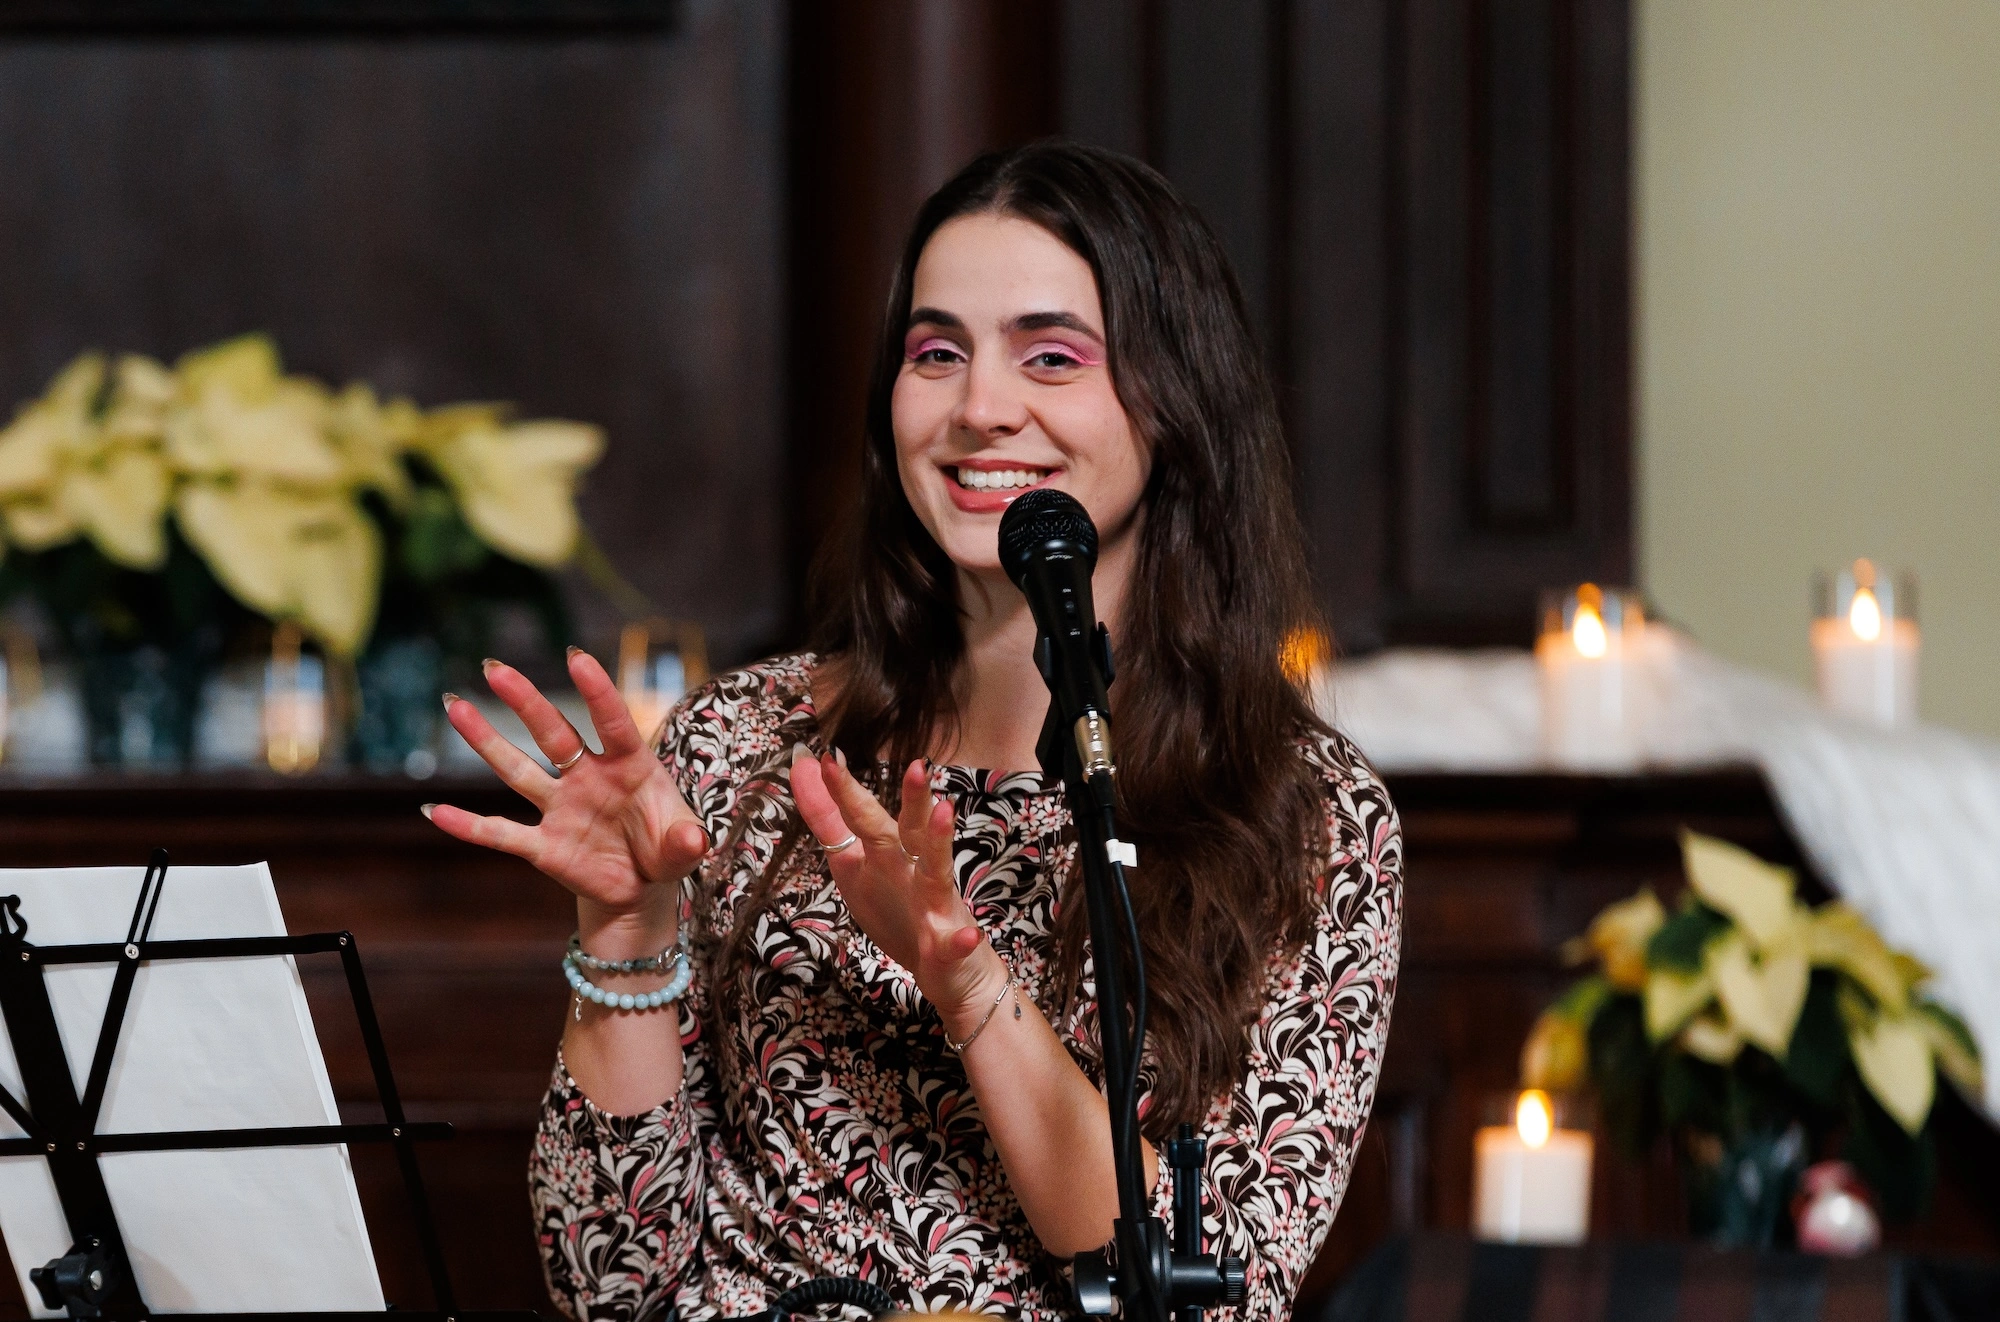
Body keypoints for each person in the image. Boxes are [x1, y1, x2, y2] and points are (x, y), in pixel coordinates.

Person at [427, 140, 1402, 1321]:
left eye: (1050, 355)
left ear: (1177, 398)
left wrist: (969, 985)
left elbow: (1209, 1302)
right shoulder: (745, 740)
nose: (980, 409)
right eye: (936, 353)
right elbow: (613, 1287)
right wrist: (627, 932)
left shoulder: (1303, 812)